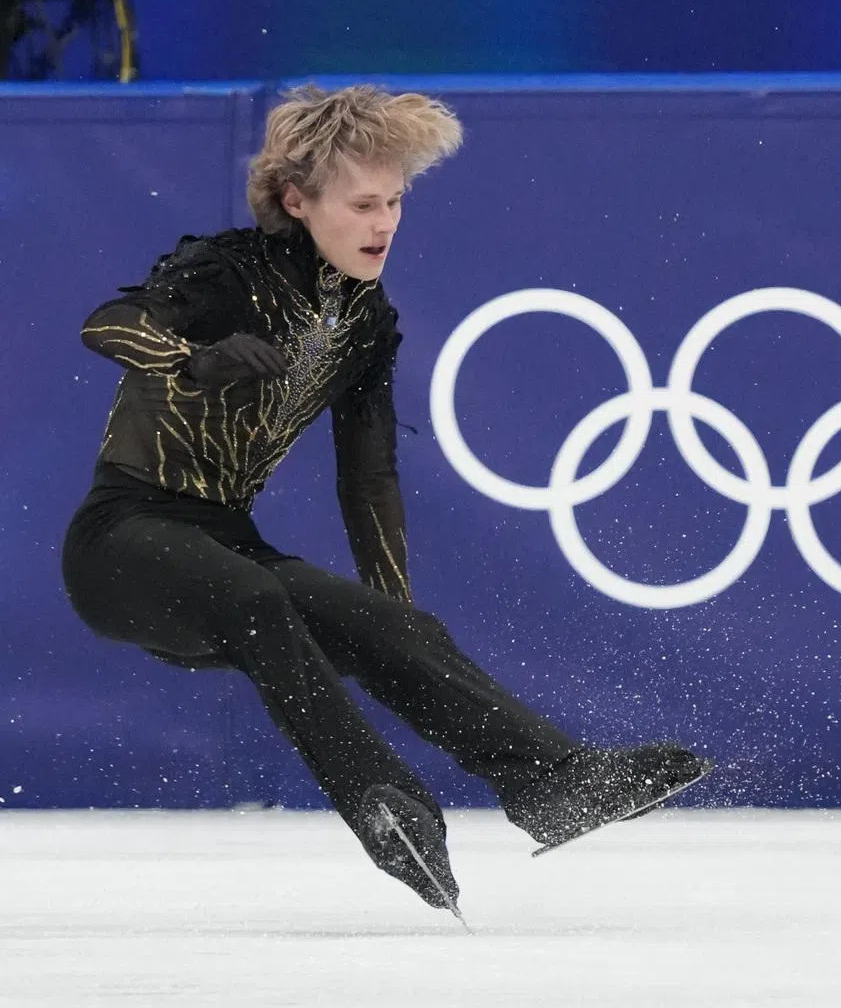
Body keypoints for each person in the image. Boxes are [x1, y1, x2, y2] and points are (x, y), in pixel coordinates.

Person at [61, 83, 708, 915]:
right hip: (121, 541)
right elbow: (105, 323)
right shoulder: (228, 274)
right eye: (363, 204)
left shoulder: (365, 322)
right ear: (297, 201)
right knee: (257, 595)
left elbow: (368, 479)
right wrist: (194, 359)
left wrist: (391, 622)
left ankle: (551, 783)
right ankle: (385, 805)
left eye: (395, 201)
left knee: (377, 620)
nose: (385, 223)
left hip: (225, 543)